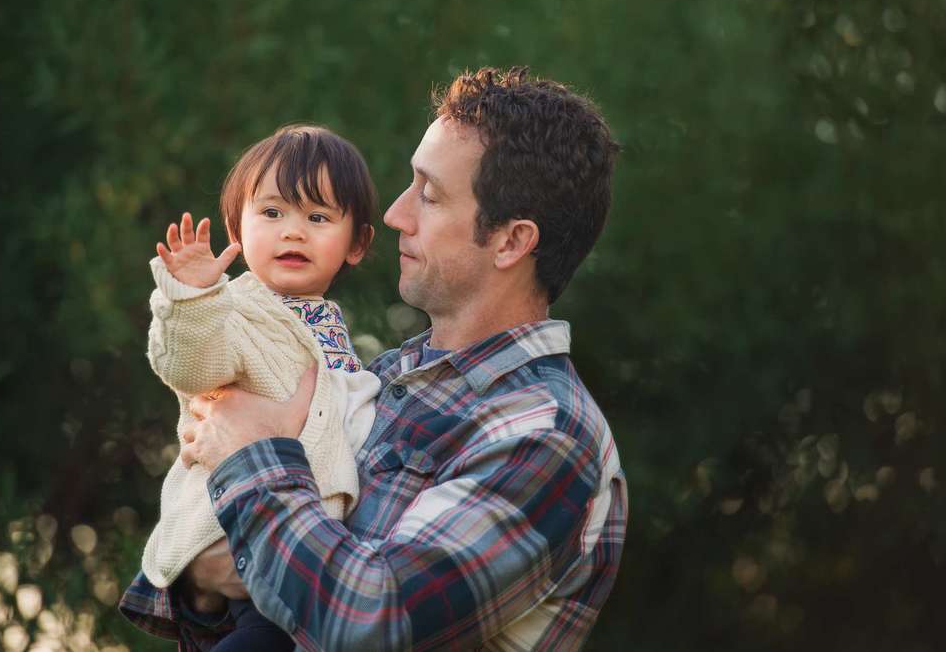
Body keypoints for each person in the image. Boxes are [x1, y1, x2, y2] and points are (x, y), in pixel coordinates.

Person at [121, 66, 628, 650]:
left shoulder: (543, 433)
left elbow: (371, 622)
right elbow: (245, 585)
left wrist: (251, 459)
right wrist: (203, 584)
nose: (394, 215)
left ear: (511, 241)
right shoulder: (376, 379)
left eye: (429, 195)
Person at [136, 124, 381, 650]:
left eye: (318, 217)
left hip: (302, 543)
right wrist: (194, 299)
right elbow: (191, 365)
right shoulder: (235, 310)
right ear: (236, 229)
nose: (293, 231)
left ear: (357, 241)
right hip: (239, 531)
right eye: (272, 213)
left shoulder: (334, 328)